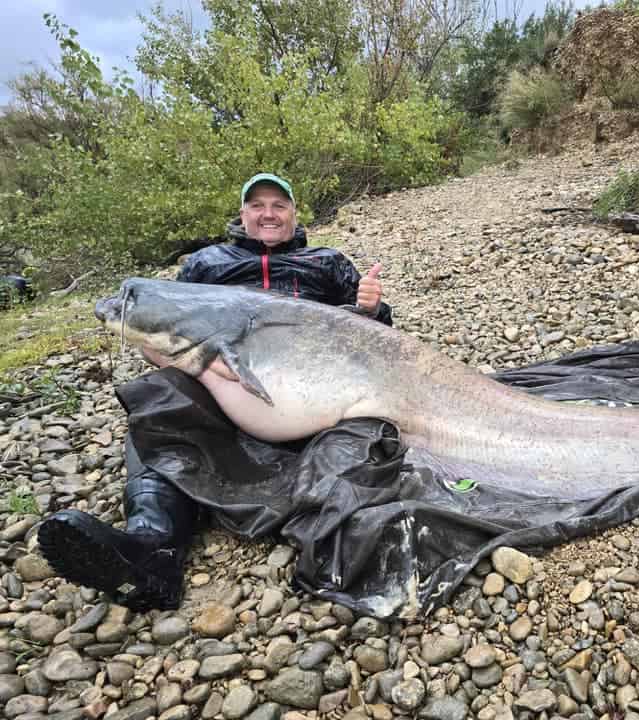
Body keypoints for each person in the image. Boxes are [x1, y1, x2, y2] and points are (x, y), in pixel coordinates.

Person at [37, 173, 392, 612]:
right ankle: (153, 548)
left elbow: (377, 339)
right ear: (242, 214)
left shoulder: (328, 262)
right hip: (221, 392)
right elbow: (162, 335)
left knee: (371, 437)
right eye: (257, 205)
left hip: (317, 397)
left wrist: (373, 307)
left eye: (278, 205)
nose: (268, 214)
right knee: (159, 396)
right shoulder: (205, 265)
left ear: (294, 214)